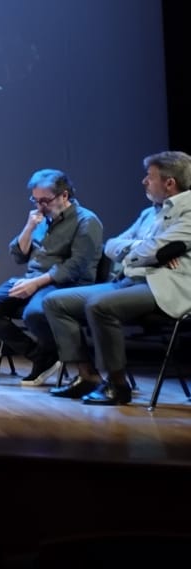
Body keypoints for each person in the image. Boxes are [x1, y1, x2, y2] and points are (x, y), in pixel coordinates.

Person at [43, 151, 191, 405]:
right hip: (128, 281)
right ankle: (88, 376)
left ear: (169, 183)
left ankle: (117, 385)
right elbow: (112, 245)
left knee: (100, 306)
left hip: (163, 285)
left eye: (150, 177)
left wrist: (144, 251)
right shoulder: (150, 213)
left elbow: (153, 250)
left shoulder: (188, 211)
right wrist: (144, 250)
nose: (144, 181)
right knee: (56, 302)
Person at [0, 168, 103, 385]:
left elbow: (75, 267)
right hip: (32, 279)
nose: (40, 205)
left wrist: (36, 283)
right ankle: (40, 356)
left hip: (63, 284)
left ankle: (60, 361)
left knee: (34, 314)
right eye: (35, 200)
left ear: (64, 196)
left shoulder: (86, 221)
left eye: (45, 200)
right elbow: (18, 255)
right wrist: (29, 227)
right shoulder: (42, 219)